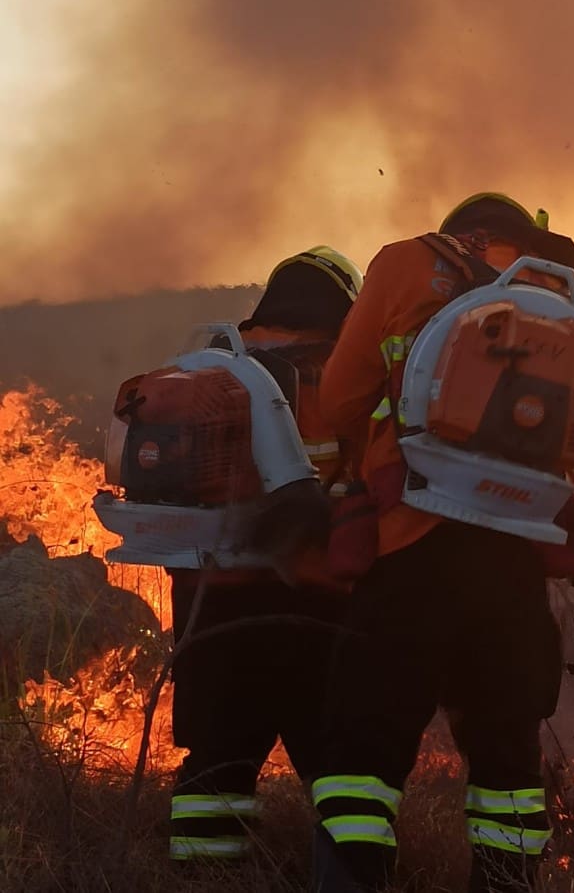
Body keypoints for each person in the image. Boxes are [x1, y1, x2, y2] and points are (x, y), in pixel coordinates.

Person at [309, 194, 574, 892]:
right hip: (513, 579)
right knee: (508, 778)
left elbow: (339, 398)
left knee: (360, 764)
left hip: (407, 556)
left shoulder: (407, 264)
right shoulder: (569, 321)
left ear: (462, 230)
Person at [168, 246, 364, 864]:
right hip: (318, 600)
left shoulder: (209, 366)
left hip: (211, 600)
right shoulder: (348, 370)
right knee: (342, 763)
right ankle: (349, 877)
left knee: (215, 759)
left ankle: (202, 878)